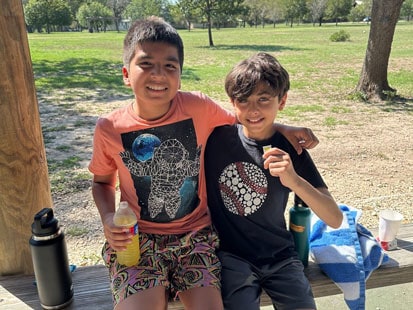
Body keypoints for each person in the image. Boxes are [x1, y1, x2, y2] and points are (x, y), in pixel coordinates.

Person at [88, 17, 318, 310]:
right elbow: (102, 182)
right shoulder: (109, 127)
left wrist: (283, 128)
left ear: (180, 75)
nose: (159, 74)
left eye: (170, 66)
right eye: (146, 64)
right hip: (137, 240)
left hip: (196, 238)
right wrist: (109, 218)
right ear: (125, 73)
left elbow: (247, 120)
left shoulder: (198, 106)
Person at [204, 52, 343, 310]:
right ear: (233, 103)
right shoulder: (216, 139)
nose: (253, 109)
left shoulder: (291, 149)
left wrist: (294, 181)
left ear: (283, 100)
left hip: (281, 256)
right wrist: (281, 125)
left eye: (264, 99)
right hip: (231, 257)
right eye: (243, 100)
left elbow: (334, 218)